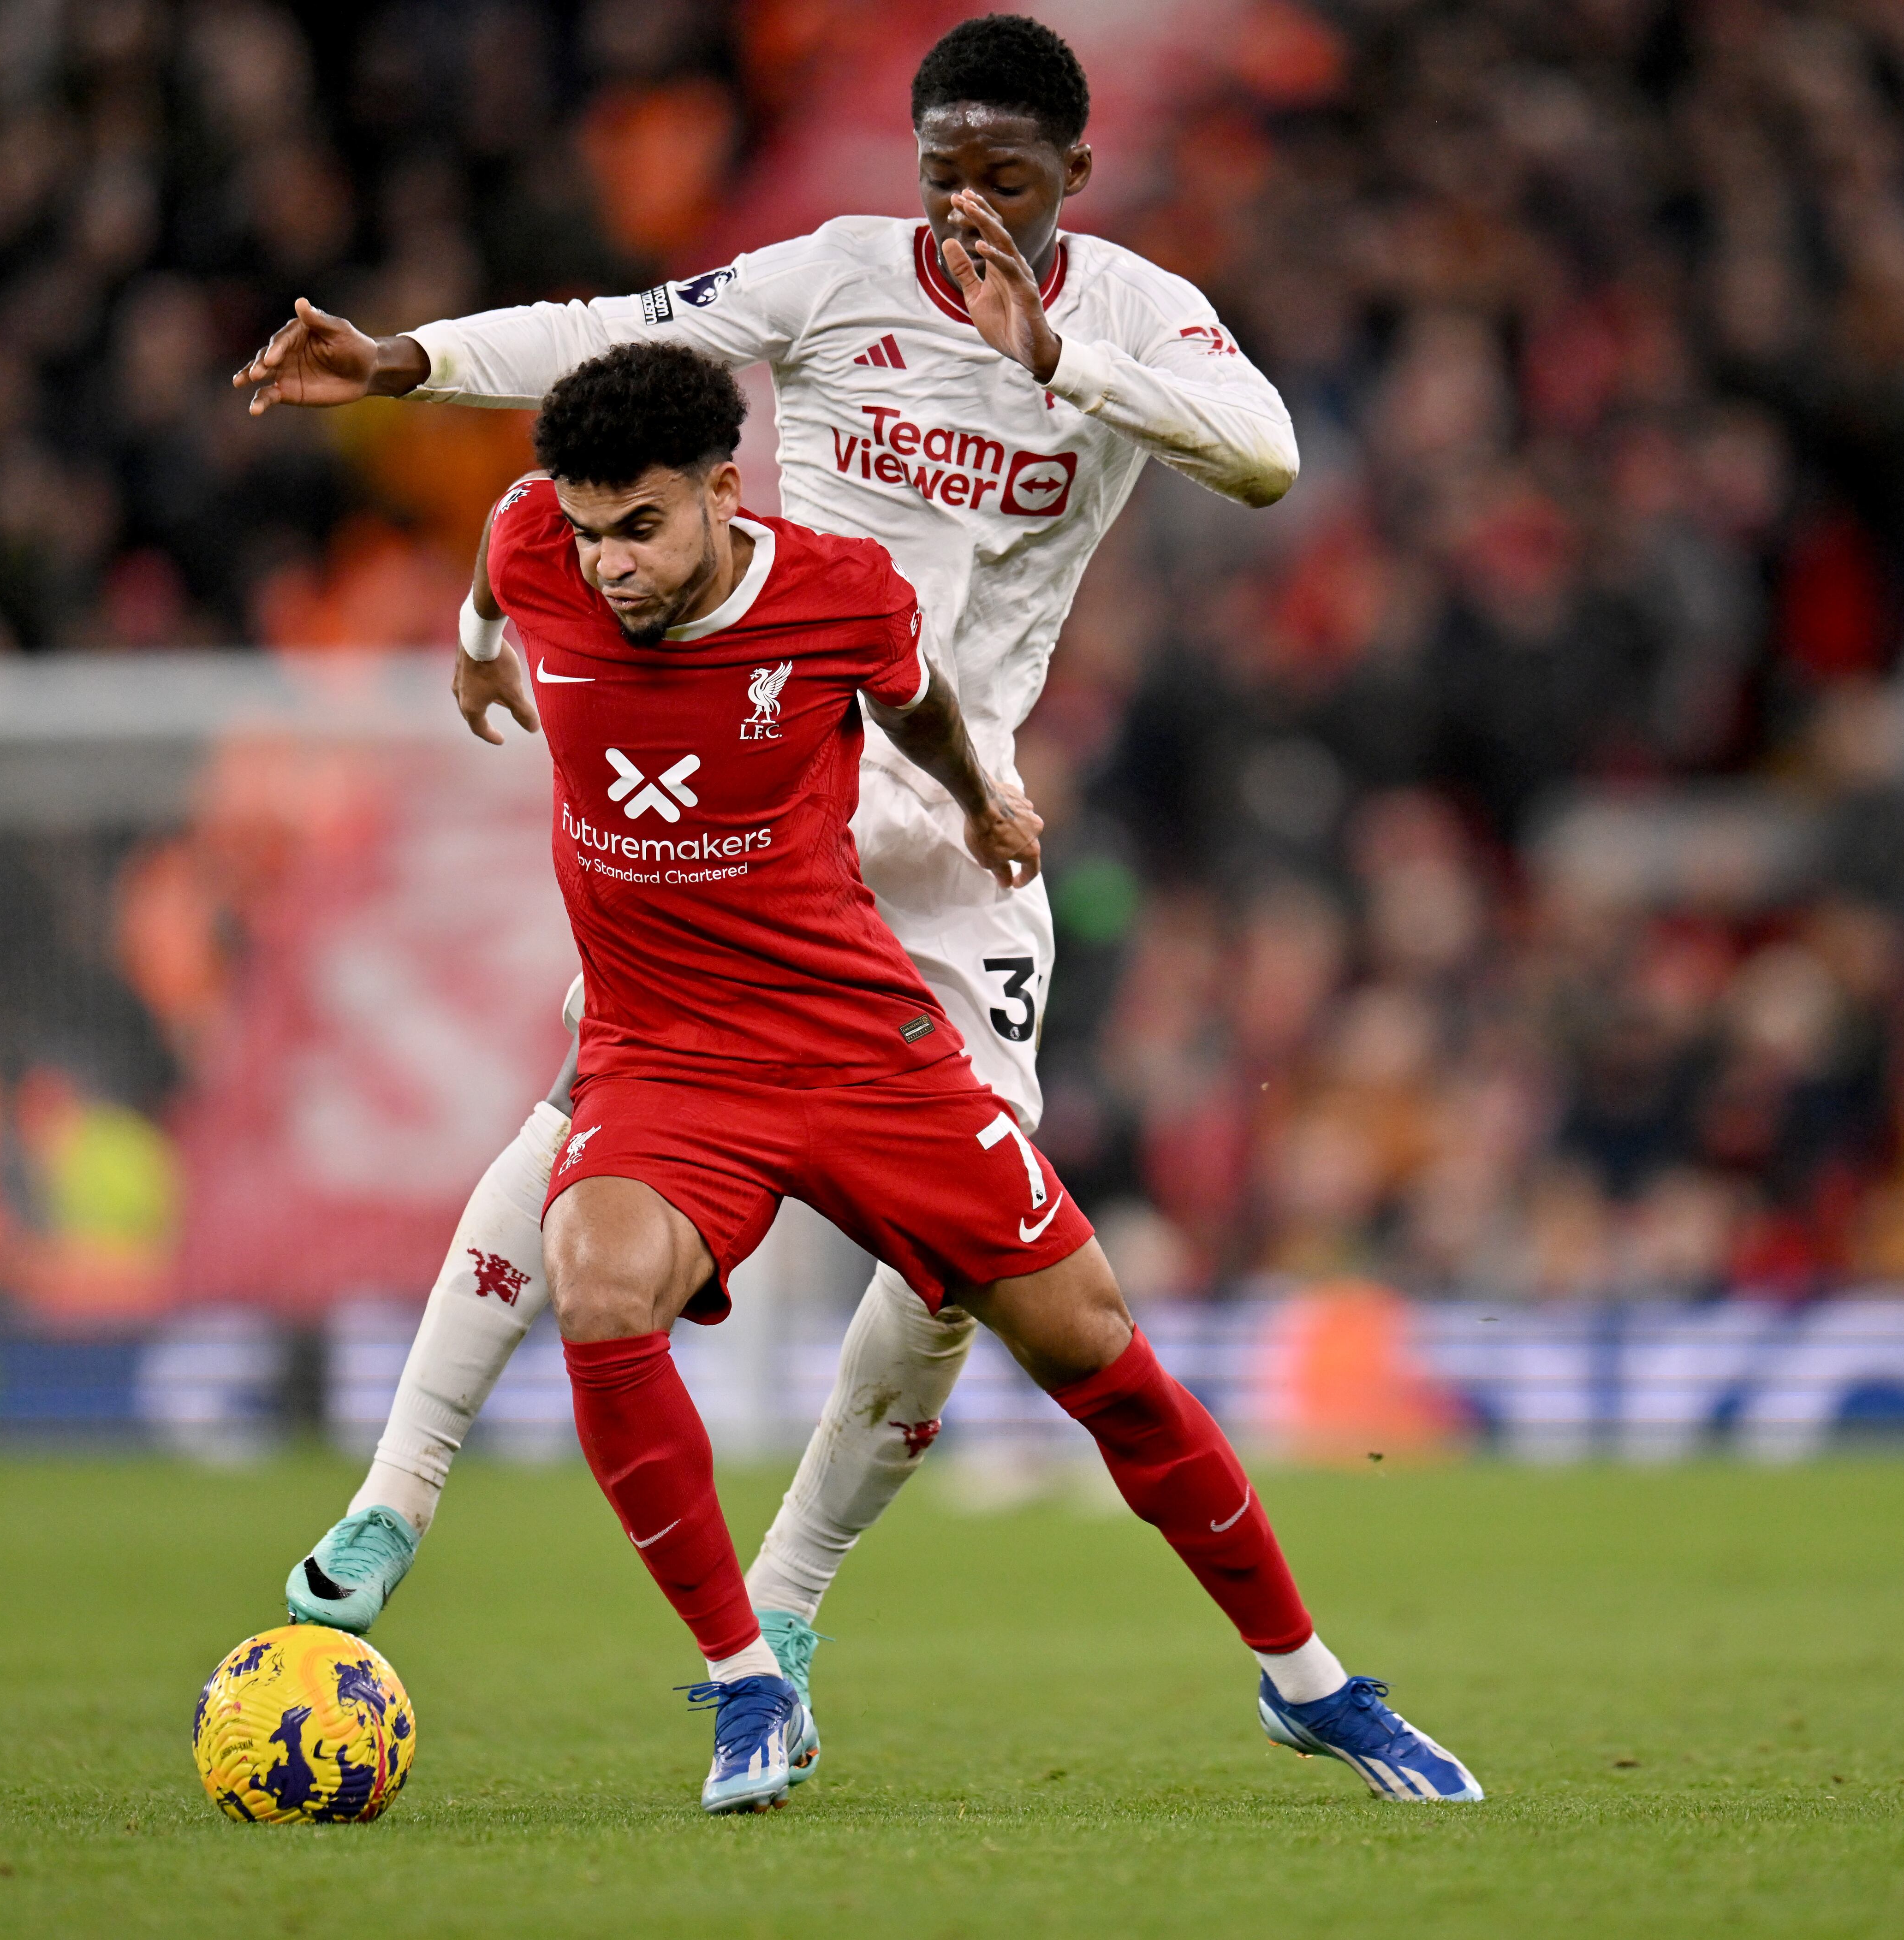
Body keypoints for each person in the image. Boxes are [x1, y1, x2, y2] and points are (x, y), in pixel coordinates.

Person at [239, 13, 1351, 1783]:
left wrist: (1053, 353)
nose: (965, 205)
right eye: (940, 169)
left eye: (1005, 174)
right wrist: (401, 363)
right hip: (779, 793)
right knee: (585, 1117)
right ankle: (392, 1497)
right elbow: (619, 335)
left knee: (971, 1278)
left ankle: (798, 1586)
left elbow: (1264, 455)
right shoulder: (838, 276)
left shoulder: (1134, 315)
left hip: (967, 839)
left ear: (1077, 175)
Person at [465, 338, 1477, 1813]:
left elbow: (921, 700)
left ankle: (1310, 1683)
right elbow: (502, 569)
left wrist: (979, 799)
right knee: (598, 1280)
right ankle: (751, 1683)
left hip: (856, 1043)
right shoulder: (529, 544)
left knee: (1091, 1345)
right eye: (588, 531)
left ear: (723, 494)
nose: (608, 564)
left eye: (644, 527)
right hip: (665, 1051)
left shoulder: (838, 593)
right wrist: (472, 637)